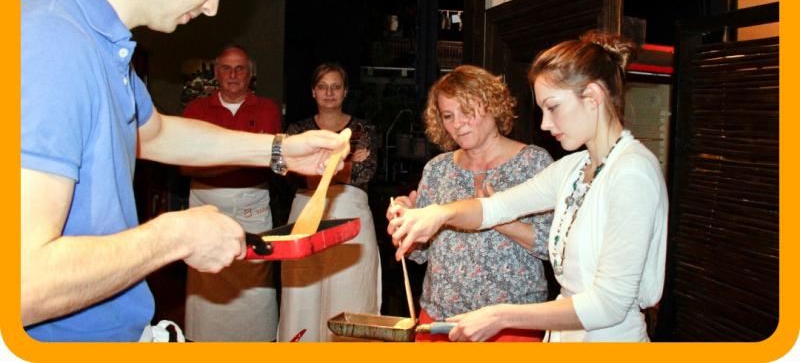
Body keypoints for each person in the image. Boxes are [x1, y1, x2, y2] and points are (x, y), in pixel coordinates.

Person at [21, 0, 349, 342]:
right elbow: (21, 282)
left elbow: (155, 133)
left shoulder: (95, 41)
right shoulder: (52, 42)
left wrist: (279, 149)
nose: (213, 6)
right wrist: (174, 235)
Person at [389, 31, 669, 342]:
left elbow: (609, 305)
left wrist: (501, 315)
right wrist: (436, 214)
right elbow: (495, 207)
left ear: (592, 96)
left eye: (553, 107)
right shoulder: (573, 168)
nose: (545, 124)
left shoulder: (632, 171)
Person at [388, 65, 553, 342]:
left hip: (510, 324)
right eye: (448, 116)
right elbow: (420, 254)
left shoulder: (532, 163)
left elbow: (553, 246)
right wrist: (406, 224)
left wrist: (496, 217)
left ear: (492, 105)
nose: (458, 123)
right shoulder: (438, 168)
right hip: (440, 321)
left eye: (467, 111)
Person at [181, 45, 281, 341]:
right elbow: (185, 166)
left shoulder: (267, 109)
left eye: (240, 68)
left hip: (252, 207)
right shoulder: (196, 111)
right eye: (226, 68)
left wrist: (212, 158)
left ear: (250, 74)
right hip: (205, 208)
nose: (233, 74)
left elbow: (266, 164)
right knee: (205, 276)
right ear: (216, 73)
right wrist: (248, 152)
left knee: (256, 281)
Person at [277, 63, 381, 342]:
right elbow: (292, 177)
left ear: (345, 91)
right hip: (305, 214)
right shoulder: (298, 130)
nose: (329, 92)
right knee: (302, 291)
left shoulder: (363, 129)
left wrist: (316, 166)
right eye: (323, 87)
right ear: (313, 91)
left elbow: (365, 173)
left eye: (336, 87)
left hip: (353, 215)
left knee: (352, 290)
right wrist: (347, 163)